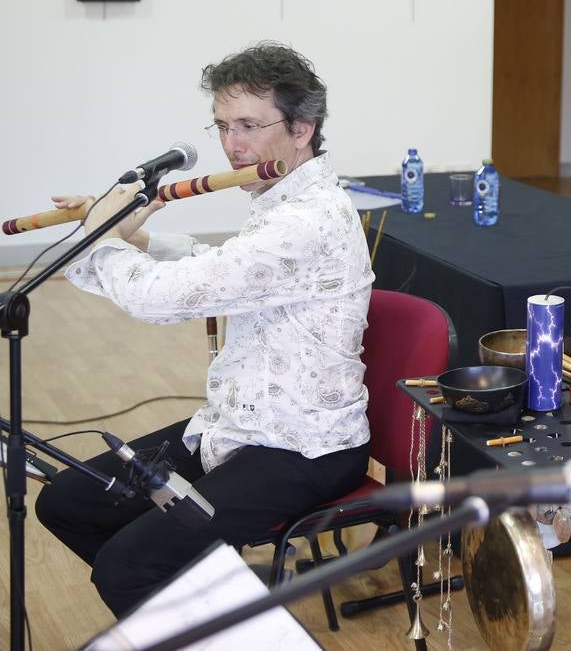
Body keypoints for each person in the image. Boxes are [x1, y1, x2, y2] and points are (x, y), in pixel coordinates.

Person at [36, 42, 374, 617]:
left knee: (129, 566)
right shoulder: (280, 201)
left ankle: (217, 618)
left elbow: (161, 298)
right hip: (238, 426)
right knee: (69, 502)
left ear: (302, 129)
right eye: (222, 126)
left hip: (302, 447)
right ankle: (208, 607)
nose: (232, 145)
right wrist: (130, 235)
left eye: (249, 126)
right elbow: (225, 268)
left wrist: (104, 235)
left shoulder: (308, 218)